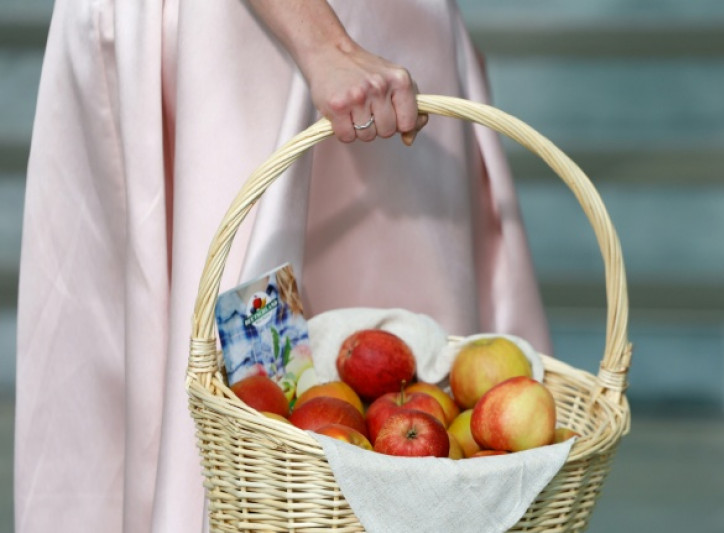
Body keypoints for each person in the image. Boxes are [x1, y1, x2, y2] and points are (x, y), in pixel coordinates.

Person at [15, 1, 551, 532]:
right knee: (226, 389)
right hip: (240, 42)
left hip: (384, 41)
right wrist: (324, 43)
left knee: (425, 386)